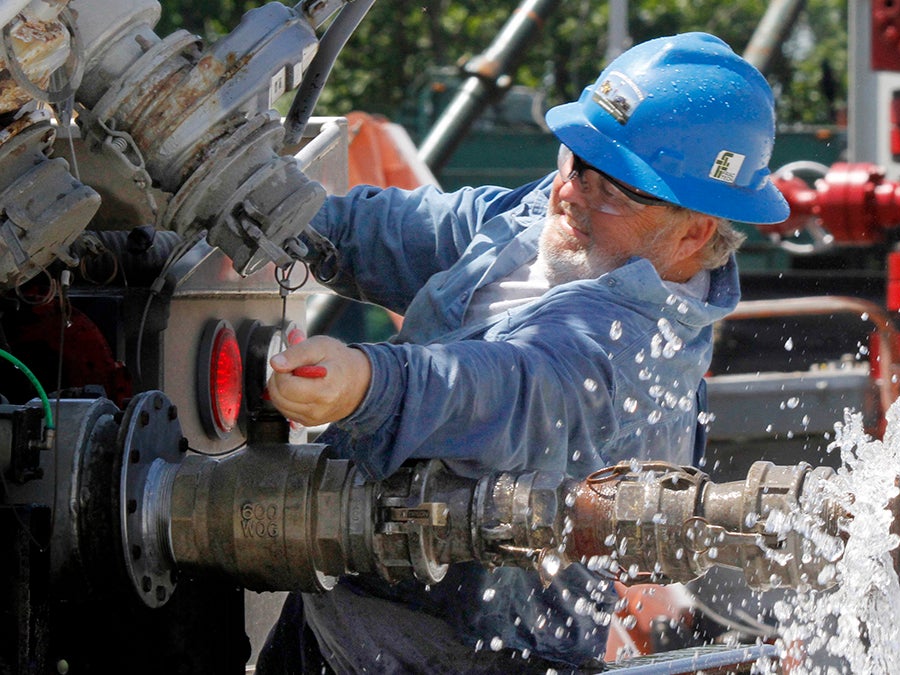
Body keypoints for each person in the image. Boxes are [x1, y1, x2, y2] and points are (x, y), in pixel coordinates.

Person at [256, 32, 789, 674]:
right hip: (347, 602)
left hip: (453, 654)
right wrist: (280, 216)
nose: (570, 193)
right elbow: (410, 233)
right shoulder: (559, 217)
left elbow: (502, 387)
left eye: (613, 188)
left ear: (696, 229)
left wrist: (366, 383)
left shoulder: (632, 353)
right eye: (575, 160)